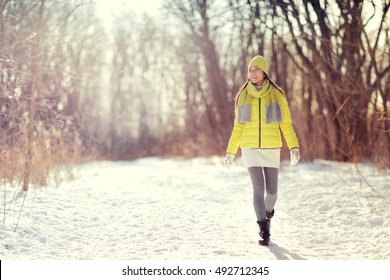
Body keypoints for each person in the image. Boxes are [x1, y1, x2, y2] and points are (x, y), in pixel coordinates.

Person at [224, 55, 300, 246]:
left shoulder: (277, 94)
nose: (252, 72)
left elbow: (286, 124)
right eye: (250, 69)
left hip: (271, 147)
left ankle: (267, 213)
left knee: (272, 193)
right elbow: (238, 126)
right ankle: (263, 228)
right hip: (249, 148)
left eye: (256, 69)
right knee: (257, 188)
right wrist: (230, 151)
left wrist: (294, 147)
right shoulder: (243, 95)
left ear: (264, 71)